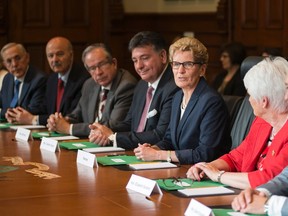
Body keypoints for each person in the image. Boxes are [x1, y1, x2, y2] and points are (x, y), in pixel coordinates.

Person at [186, 56, 288, 189]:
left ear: (264, 101)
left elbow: (268, 179)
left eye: (250, 95)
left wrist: (218, 175)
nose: (249, 100)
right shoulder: (262, 122)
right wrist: (208, 167)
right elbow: (236, 157)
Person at [133, 37, 231, 164]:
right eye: (176, 64)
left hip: (203, 174)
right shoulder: (177, 97)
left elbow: (204, 154)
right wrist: (153, 148)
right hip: (181, 169)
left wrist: (159, 154)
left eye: (188, 64)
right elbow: (169, 139)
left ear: (202, 69)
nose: (180, 71)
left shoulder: (211, 102)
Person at [88, 31, 179, 149]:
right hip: (135, 150)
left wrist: (113, 137)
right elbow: (129, 123)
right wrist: (104, 132)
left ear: (163, 56)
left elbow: (160, 135)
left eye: (144, 58)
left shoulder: (174, 87)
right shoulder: (141, 85)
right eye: (135, 60)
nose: (139, 66)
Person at [46, 43, 137, 137]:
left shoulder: (126, 85)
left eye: (102, 65)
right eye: (92, 68)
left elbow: (112, 126)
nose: (98, 72)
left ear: (114, 63)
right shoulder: (89, 84)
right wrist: (59, 122)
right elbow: (77, 115)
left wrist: (69, 128)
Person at [6, 36, 90, 125]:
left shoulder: (83, 79)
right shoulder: (52, 79)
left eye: (60, 54)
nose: (55, 59)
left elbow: (70, 116)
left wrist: (33, 119)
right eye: (50, 56)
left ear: (71, 55)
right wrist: (17, 115)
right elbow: (44, 108)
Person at [0, 43, 47, 121]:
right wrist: (5, 112)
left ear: (27, 58)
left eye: (18, 58)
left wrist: (6, 113)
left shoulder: (39, 79)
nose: (14, 64)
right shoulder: (8, 78)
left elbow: (33, 110)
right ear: (5, 64)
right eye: (9, 61)